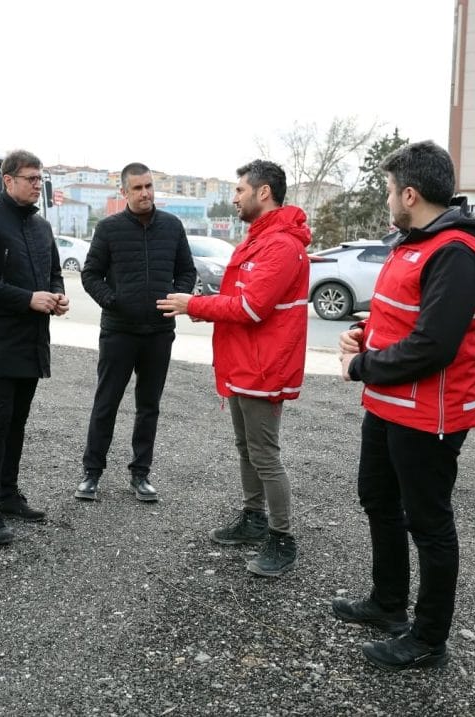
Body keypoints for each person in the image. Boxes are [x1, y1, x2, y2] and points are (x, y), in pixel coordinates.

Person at [333, 140, 475, 671]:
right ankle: (387, 603)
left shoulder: (456, 253)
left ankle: (427, 639)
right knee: (377, 498)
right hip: (387, 405)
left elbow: (433, 344)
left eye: (387, 191)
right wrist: (365, 334)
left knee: (428, 523)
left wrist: (363, 365)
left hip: (431, 414)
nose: (386, 202)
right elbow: (400, 318)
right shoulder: (412, 243)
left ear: (409, 192)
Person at [157, 159, 310, 578]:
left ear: (264, 193)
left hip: (263, 368)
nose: (235, 196)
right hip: (244, 363)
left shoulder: (280, 245)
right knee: (247, 448)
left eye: (240, 189)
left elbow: (250, 306)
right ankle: (254, 517)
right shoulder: (256, 239)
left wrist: (193, 305)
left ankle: (282, 537)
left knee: (264, 453)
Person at [0, 149, 69, 545]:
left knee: (19, 422)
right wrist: (28, 299)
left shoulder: (41, 227)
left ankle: (8, 493)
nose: (37, 185)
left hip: (32, 339)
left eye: (40, 179)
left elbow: (55, 273)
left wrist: (58, 296)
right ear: (7, 181)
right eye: (30, 179)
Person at [75, 162, 196, 502]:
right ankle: (91, 473)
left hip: (159, 332)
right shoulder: (109, 228)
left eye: (149, 187)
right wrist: (112, 302)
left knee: (149, 406)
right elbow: (90, 275)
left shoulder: (172, 227)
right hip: (119, 331)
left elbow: (186, 271)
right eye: (138, 188)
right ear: (124, 192)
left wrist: (175, 298)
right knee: (106, 403)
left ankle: (140, 475)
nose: (145, 193)